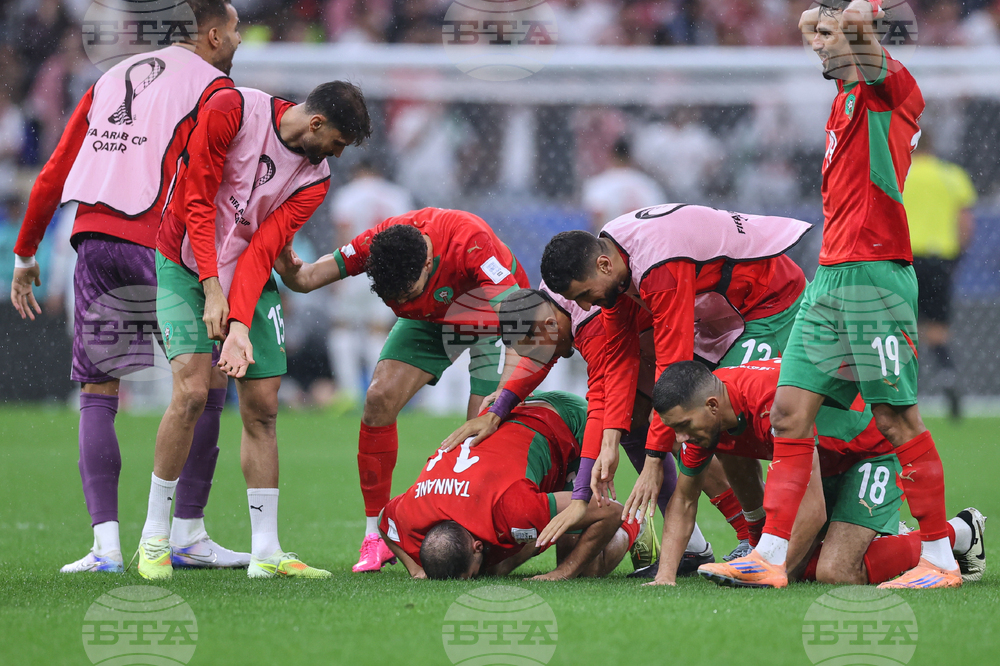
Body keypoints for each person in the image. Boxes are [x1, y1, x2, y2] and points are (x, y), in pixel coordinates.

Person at [719, 0, 960, 589]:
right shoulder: (845, 98)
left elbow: (855, 29)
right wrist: (822, 21)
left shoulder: (891, 92)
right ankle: (771, 554)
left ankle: (943, 556)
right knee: (789, 411)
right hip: (831, 275)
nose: (820, 45)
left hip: (875, 277)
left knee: (895, 418)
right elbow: (814, 25)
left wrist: (857, 13)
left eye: (834, 39)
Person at [10, 0, 246, 574]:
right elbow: (215, 184)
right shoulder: (217, 91)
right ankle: (186, 532)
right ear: (213, 35)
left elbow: (57, 166)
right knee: (205, 380)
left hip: (92, 238)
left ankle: (105, 547)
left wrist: (25, 252)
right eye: (236, 30)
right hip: (160, 243)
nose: (240, 40)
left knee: (99, 391)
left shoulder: (111, 77)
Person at [135, 80, 372, 579]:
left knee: (263, 407)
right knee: (193, 393)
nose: (336, 155)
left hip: (249, 275)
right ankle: (154, 538)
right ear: (316, 124)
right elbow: (197, 200)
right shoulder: (233, 109)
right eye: (337, 142)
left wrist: (238, 321)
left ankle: (265, 553)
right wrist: (211, 288)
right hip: (182, 263)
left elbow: (263, 247)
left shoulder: (316, 178)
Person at [273, 207, 530, 572]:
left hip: (490, 315)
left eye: (409, 293)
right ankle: (376, 537)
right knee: (378, 400)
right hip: (432, 321)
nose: (402, 303)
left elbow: (519, 321)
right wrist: (286, 265)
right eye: (394, 299)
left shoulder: (470, 243)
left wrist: (502, 401)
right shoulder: (377, 244)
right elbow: (308, 278)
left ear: (428, 263)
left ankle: (478, 537)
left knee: (480, 431)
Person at [445, 286, 756, 576]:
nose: (547, 357)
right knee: (637, 424)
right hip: (653, 344)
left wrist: (581, 495)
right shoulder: (551, 296)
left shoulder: (590, 325)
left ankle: (750, 536)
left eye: (541, 347)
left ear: (552, 325)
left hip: (702, 332)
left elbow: (600, 405)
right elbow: (544, 356)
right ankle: (692, 548)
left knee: (686, 434)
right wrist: (500, 408)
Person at [539, 204, 811, 522]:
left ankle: (779, 530)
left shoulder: (659, 267)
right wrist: (610, 443)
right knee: (700, 419)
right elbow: (620, 360)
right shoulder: (614, 263)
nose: (586, 306)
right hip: (725, 315)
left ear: (603, 265)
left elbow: (672, 366)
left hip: (769, 301)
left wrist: (654, 459)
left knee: (713, 413)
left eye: (585, 294)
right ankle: (757, 531)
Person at [654, 360, 986, 587]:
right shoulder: (706, 416)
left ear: (712, 406)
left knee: (834, 571)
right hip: (821, 462)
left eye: (683, 427)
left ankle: (960, 532)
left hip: (868, 452)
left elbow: (812, 512)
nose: (681, 438)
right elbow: (683, 500)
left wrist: (774, 569)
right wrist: (665, 577)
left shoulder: (768, 402)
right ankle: (870, 532)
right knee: (796, 563)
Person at [378, 391, 650, 580]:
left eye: (471, 576)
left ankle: (635, 525)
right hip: (516, 416)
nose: (475, 580)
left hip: (569, 422)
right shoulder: (412, 512)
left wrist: (562, 573)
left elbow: (608, 511)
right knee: (499, 561)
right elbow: (384, 519)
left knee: (586, 569)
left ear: (476, 546)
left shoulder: (512, 507)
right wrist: (416, 570)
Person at [902, 132, 977, 419]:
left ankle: (903, 391)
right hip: (940, 260)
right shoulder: (952, 176)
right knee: (937, 329)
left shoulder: (900, 175)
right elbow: (965, 223)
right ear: (934, 145)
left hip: (904, 259)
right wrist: (956, 257)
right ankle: (947, 375)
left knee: (902, 327)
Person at [328, 159, 413, 403]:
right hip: (388, 272)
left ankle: (348, 393)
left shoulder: (347, 195)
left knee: (343, 327)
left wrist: (337, 277)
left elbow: (343, 237)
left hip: (355, 269)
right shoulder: (397, 195)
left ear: (358, 172)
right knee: (377, 331)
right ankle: (379, 391)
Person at [581, 136, 665, 233]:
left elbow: (596, 217)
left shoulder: (598, 184)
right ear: (631, 157)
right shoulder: (647, 185)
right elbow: (658, 218)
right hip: (638, 242)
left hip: (610, 241)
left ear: (611, 156)